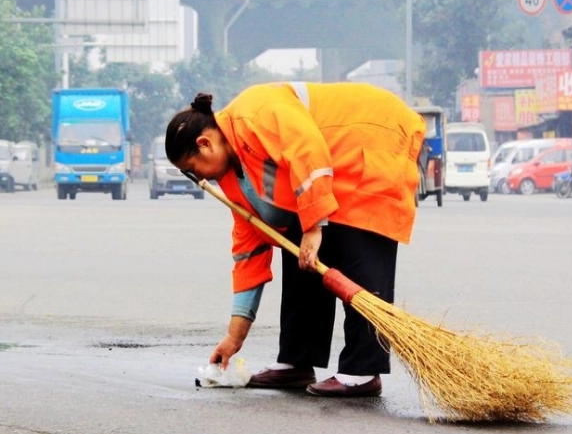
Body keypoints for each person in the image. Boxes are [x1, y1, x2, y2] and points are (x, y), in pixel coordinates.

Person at [165, 82, 426, 398]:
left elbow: (308, 150)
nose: (201, 179)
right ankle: (297, 360)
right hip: (332, 163)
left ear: (205, 144)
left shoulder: (256, 110)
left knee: (359, 246)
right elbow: (248, 258)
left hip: (373, 136)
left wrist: (314, 226)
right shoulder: (233, 180)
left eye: (193, 169)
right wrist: (234, 337)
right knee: (298, 248)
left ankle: (362, 371)